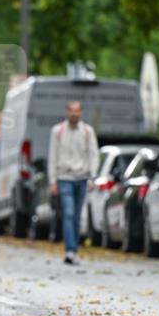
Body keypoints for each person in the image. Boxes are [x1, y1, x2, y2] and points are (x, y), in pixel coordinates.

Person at [47, 101, 99, 265]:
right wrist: (52, 180)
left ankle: (74, 249)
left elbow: (93, 155)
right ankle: (70, 250)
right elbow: (52, 156)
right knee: (68, 213)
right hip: (64, 178)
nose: (74, 114)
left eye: (77, 111)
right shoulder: (58, 131)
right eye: (72, 111)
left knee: (76, 216)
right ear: (67, 112)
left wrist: (92, 177)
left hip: (82, 178)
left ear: (81, 113)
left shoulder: (87, 132)